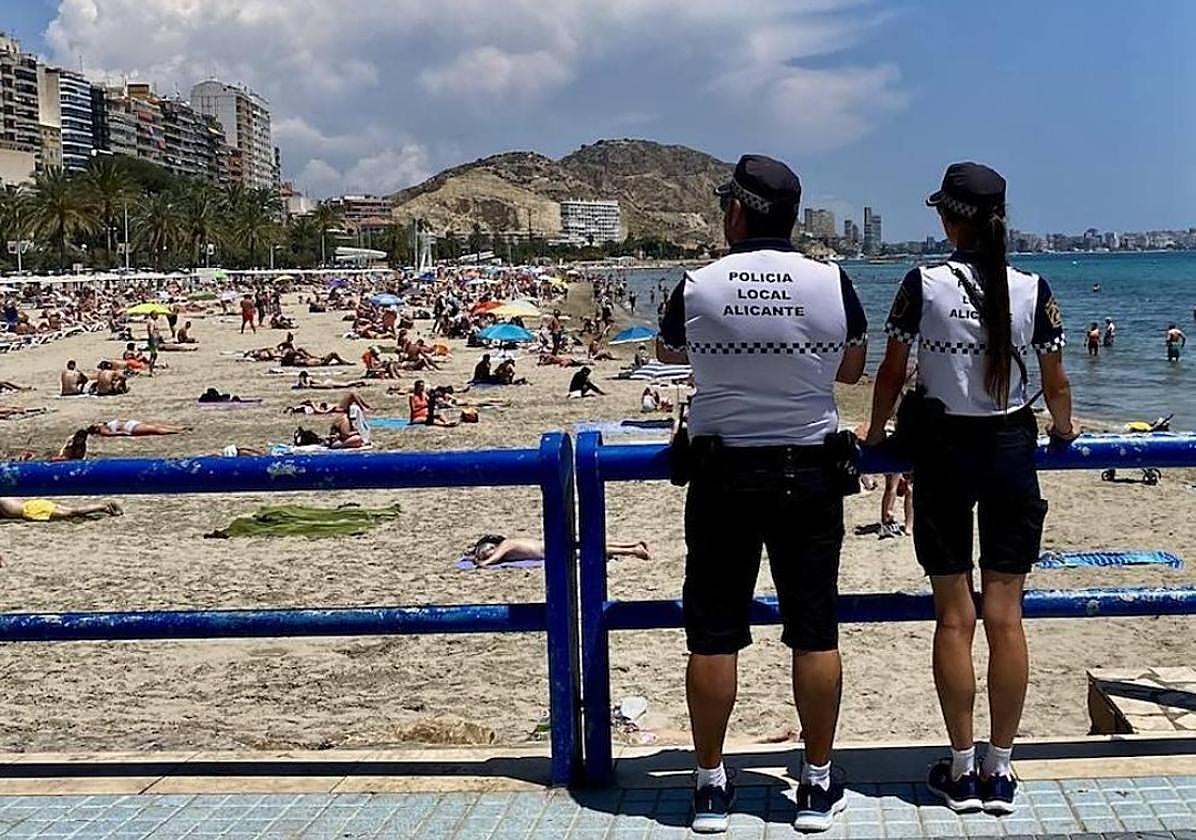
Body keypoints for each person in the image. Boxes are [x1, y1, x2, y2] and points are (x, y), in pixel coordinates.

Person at [657, 154, 868, 833]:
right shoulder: (831, 280)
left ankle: (711, 785)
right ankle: (814, 784)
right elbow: (855, 365)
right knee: (814, 632)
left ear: (737, 211)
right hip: (809, 472)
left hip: (722, 474)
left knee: (714, 637)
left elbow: (668, 353)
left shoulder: (698, 283)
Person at [865, 162, 1078, 817]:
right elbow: (1058, 383)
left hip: (944, 452)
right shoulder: (1031, 286)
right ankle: (1002, 770)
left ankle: (960, 769)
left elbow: (892, 371)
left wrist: (874, 437)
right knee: (1007, 619)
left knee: (955, 618)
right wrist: (1064, 431)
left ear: (948, 218)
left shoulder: (922, 284)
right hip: (1011, 448)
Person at [469, 535, 650, 567]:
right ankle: (632, 545)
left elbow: (492, 560)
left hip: (548, 550)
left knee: (589, 549)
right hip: (546, 546)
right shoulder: (507, 545)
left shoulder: (506, 545)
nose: (489, 553)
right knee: (588, 544)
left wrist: (481, 563)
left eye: (487, 550)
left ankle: (633, 550)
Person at [0, 496, 123, 522]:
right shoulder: (6, 499)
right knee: (72, 512)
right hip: (35, 504)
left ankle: (103, 506)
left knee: (72, 513)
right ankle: (105, 509)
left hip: (32, 510)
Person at [88, 419, 189, 436]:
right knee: (154, 427)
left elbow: (113, 433)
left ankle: (178, 430)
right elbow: (113, 433)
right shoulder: (102, 427)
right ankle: (178, 429)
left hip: (130, 427)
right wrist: (124, 433)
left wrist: (124, 433)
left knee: (154, 429)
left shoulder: (102, 428)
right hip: (129, 425)